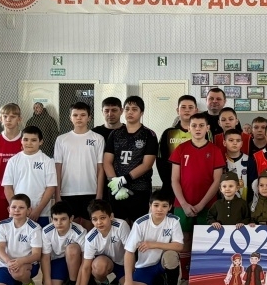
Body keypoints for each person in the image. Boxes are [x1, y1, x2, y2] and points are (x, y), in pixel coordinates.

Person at [171, 112, 226, 284]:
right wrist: (184, 204)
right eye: (194, 125)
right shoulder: (181, 149)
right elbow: (174, 179)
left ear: (207, 128)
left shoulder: (215, 150)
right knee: (185, 239)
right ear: (188, 128)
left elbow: (217, 181)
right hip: (182, 204)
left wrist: (202, 204)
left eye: (201, 125)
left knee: (206, 239)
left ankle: (203, 279)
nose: (197, 129)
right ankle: (185, 277)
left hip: (208, 205)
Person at [103, 95, 159, 225]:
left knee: (138, 226)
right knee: (118, 226)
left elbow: (147, 164)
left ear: (141, 112)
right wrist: (115, 183)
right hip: (116, 190)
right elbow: (107, 161)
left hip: (139, 189)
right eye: (127, 109)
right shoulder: (115, 134)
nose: (130, 112)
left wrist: (124, 179)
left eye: (134, 109)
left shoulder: (149, 134)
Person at [121, 190, 183, 285]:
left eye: (164, 206)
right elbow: (129, 252)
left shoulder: (173, 221)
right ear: (150, 206)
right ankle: (157, 283)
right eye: (156, 205)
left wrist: (153, 244)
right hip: (145, 267)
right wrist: (128, 281)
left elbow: (179, 246)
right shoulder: (140, 223)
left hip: (162, 264)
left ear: (170, 207)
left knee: (171, 255)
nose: (160, 209)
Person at [68, 199, 130, 285]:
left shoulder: (121, 226)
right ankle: (104, 282)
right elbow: (85, 267)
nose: (99, 222)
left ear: (111, 216)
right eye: (95, 219)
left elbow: (129, 253)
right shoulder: (90, 238)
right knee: (99, 266)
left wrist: (129, 280)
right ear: (91, 220)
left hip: (122, 264)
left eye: (102, 218)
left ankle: (122, 281)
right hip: (103, 264)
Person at [0, 193, 43, 285]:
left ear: (29, 210)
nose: (17, 210)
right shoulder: (3, 225)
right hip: (7, 265)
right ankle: (15, 283)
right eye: (14, 207)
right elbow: (0, 248)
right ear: (9, 209)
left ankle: (27, 283)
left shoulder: (34, 228)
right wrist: (8, 261)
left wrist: (20, 261)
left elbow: (36, 255)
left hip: (27, 265)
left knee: (18, 272)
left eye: (21, 207)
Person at [54, 100, 104, 224]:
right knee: (71, 228)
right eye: (75, 115)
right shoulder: (61, 139)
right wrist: (57, 195)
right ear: (70, 118)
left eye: (83, 115)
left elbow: (100, 168)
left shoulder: (98, 139)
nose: (79, 118)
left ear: (89, 118)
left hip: (91, 191)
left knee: (90, 227)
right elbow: (58, 169)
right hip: (67, 192)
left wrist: (99, 195)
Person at [1, 125, 58, 225]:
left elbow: (51, 188)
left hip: (41, 213)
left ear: (41, 142)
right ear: (21, 141)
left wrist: (38, 210)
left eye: (33, 140)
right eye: (26, 139)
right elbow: (7, 187)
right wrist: (16, 208)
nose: (29, 143)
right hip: (18, 213)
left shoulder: (47, 161)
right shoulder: (13, 161)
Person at [40, 200, 85, 285]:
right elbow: (45, 258)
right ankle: (65, 282)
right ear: (51, 219)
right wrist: (47, 284)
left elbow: (85, 260)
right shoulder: (46, 231)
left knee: (72, 249)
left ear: (71, 218)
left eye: (63, 219)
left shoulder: (79, 231)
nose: (59, 223)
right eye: (55, 219)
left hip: (76, 262)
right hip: (58, 262)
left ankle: (72, 284)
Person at [0, 103, 24, 224]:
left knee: (22, 226)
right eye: (5, 116)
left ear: (19, 119)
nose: (8, 119)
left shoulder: (25, 140)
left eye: (13, 116)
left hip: (22, 189)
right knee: (2, 226)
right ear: (0, 118)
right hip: (1, 190)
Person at [156, 95, 197, 192]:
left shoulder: (204, 133)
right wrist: (167, 182)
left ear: (196, 110)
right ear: (177, 110)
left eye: (190, 107)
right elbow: (160, 160)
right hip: (171, 184)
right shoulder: (168, 133)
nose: (187, 110)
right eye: (183, 107)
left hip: (196, 183)